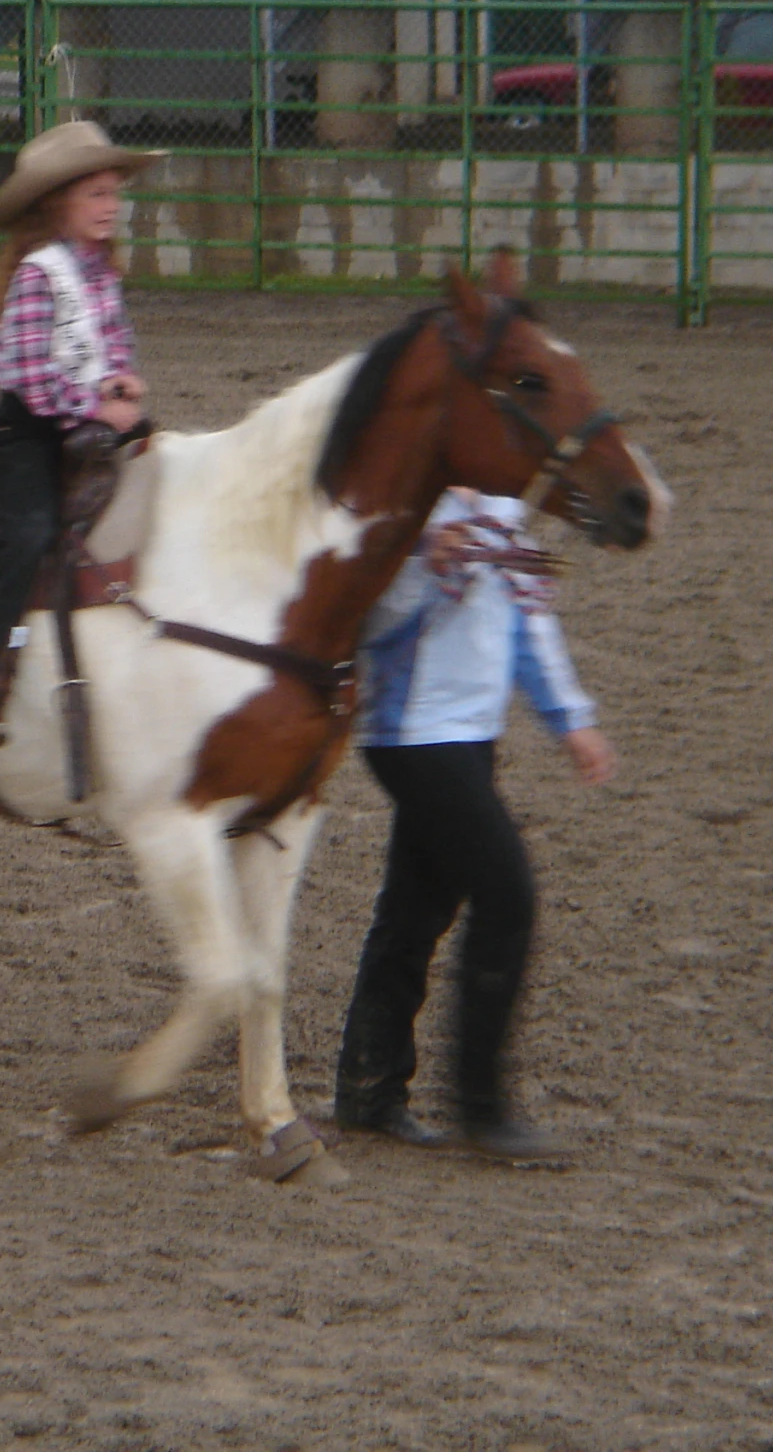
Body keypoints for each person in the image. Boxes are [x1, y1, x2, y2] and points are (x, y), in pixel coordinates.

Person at [331, 488, 619, 1161]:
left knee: (418, 908)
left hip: (468, 735)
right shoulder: (406, 497)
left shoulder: (500, 506)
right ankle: (481, 1108)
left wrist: (569, 718)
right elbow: (368, 620)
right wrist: (424, 562)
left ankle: (370, 1089)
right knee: (506, 893)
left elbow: (528, 620)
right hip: (411, 732)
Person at [0, 121, 162, 750]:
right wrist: (96, 407)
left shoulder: (99, 272)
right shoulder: (39, 274)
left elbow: (112, 342)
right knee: (26, 530)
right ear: (56, 204)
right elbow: (33, 378)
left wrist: (120, 382)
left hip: (85, 423)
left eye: (115, 193)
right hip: (29, 430)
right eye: (95, 194)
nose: (111, 206)